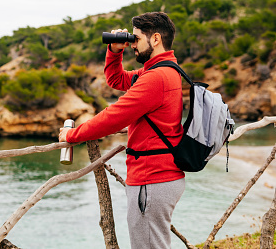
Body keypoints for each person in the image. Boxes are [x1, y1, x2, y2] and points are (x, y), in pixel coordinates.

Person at [59, 12, 185, 249]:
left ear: (155, 39)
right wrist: (115, 50)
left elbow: (114, 117)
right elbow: (116, 80)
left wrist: (72, 135)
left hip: (153, 179)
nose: (132, 45)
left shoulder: (156, 77)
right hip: (160, 176)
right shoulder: (164, 69)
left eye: (135, 39)